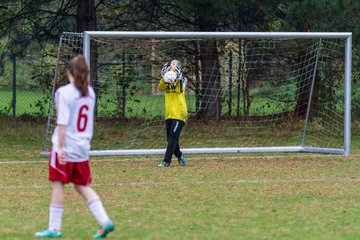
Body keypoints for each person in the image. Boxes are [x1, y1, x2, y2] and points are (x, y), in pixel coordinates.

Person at [35, 55, 114, 239]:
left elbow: (62, 123)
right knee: (81, 185)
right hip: (82, 148)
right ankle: (104, 221)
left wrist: (60, 148)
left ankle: (54, 229)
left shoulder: (64, 92)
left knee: (58, 184)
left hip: (66, 146)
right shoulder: (91, 93)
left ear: (69, 72)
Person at [157, 59, 188, 167]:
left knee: (173, 136)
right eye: (171, 64)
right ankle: (179, 156)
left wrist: (176, 75)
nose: (172, 65)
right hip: (169, 113)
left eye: (174, 64)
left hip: (180, 113)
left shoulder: (182, 79)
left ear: (179, 67)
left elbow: (180, 88)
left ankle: (166, 161)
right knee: (170, 138)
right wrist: (164, 77)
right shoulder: (166, 79)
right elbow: (160, 88)